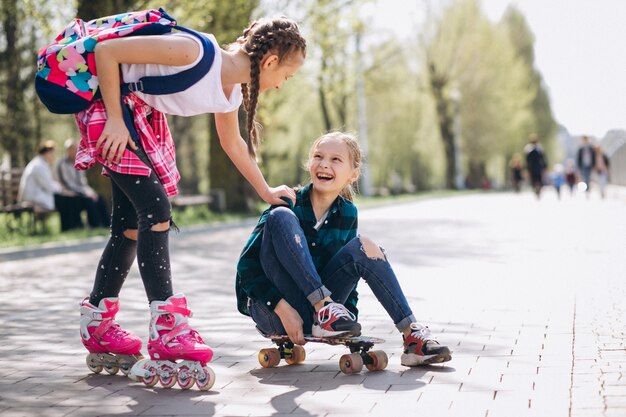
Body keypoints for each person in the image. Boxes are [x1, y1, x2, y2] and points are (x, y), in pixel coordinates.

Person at [74, 16, 307, 385]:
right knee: (155, 211)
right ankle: (168, 329)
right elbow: (107, 52)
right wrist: (116, 120)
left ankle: (98, 325)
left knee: (131, 225)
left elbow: (233, 144)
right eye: (287, 77)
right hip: (110, 109)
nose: (281, 86)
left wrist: (266, 191)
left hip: (139, 118)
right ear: (270, 62)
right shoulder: (195, 52)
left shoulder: (230, 89)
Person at [235, 132, 452, 366]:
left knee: (365, 246)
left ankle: (412, 337)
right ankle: (324, 309)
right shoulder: (288, 202)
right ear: (310, 164)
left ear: (353, 174)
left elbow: (349, 275)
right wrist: (280, 307)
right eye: (318, 156)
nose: (324, 164)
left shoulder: (348, 213)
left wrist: (349, 324)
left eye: (336, 159)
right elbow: (246, 269)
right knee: (280, 216)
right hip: (276, 311)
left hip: (320, 319)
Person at [55, 139, 109, 230]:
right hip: (68, 192)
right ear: (67, 151)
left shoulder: (79, 161)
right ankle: (95, 225)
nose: (75, 151)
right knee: (88, 200)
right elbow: (68, 183)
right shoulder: (62, 163)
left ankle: (106, 224)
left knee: (99, 198)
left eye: (76, 149)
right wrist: (84, 192)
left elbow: (82, 181)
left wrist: (90, 191)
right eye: (72, 149)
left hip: (79, 190)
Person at [18, 141, 63, 214]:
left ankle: (70, 223)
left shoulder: (40, 163)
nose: (54, 156)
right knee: (65, 199)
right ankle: (69, 224)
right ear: (46, 153)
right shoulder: (39, 166)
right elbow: (49, 186)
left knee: (65, 198)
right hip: (33, 198)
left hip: (36, 196)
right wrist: (60, 188)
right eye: (52, 153)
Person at [524, 133, 547, 199]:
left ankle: (537, 189)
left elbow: (527, 161)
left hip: (532, 168)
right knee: (538, 180)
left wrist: (527, 169)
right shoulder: (539, 149)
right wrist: (545, 167)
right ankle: (538, 189)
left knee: (534, 180)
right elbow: (543, 159)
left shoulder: (528, 149)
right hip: (538, 167)